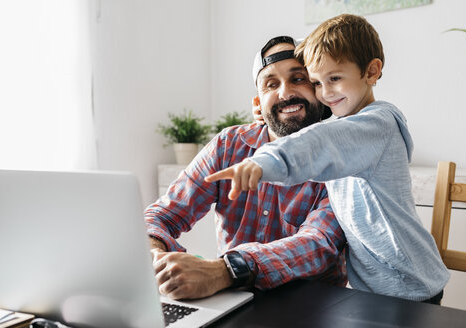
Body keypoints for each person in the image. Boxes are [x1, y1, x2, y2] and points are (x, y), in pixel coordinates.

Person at [205, 14, 450, 304]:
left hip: (410, 286)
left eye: (334, 79)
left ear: (371, 72)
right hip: (372, 288)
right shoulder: (347, 123)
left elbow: (323, 141)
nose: (326, 93)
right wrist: (273, 116)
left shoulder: (378, 123)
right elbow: (323, 128)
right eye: (317, 83)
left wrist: (262, 161)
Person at [145, 35, 347, 300]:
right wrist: (155, 256)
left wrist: (224, 271)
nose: (285, 93)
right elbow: (162, 215)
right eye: (271, 84)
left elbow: (319, 242)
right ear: (258, 104)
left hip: (314, 309)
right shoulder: (229, 146)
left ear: (320, 92)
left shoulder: (341, 156)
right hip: (233, 301)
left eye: (298, 79)